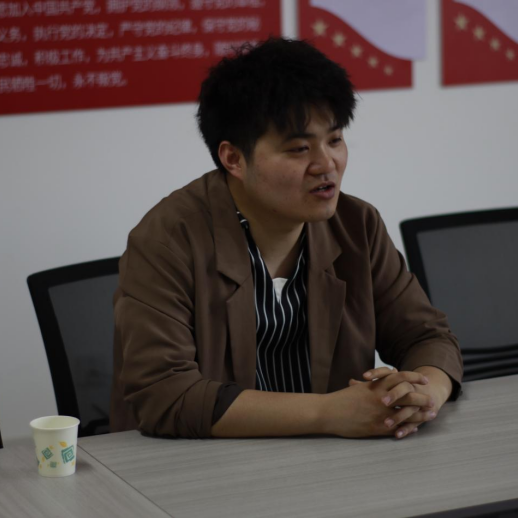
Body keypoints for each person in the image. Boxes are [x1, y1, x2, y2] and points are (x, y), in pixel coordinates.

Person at [110, 37, 463, 441]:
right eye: (298, 149)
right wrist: (327, 413)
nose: (326, 164)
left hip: (335, 460)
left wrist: (424, 394)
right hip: (202, 464)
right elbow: (165, 394)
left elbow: (426, 337)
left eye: (335, 140)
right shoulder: (167, 241)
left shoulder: (357, 225)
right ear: (233, 159)